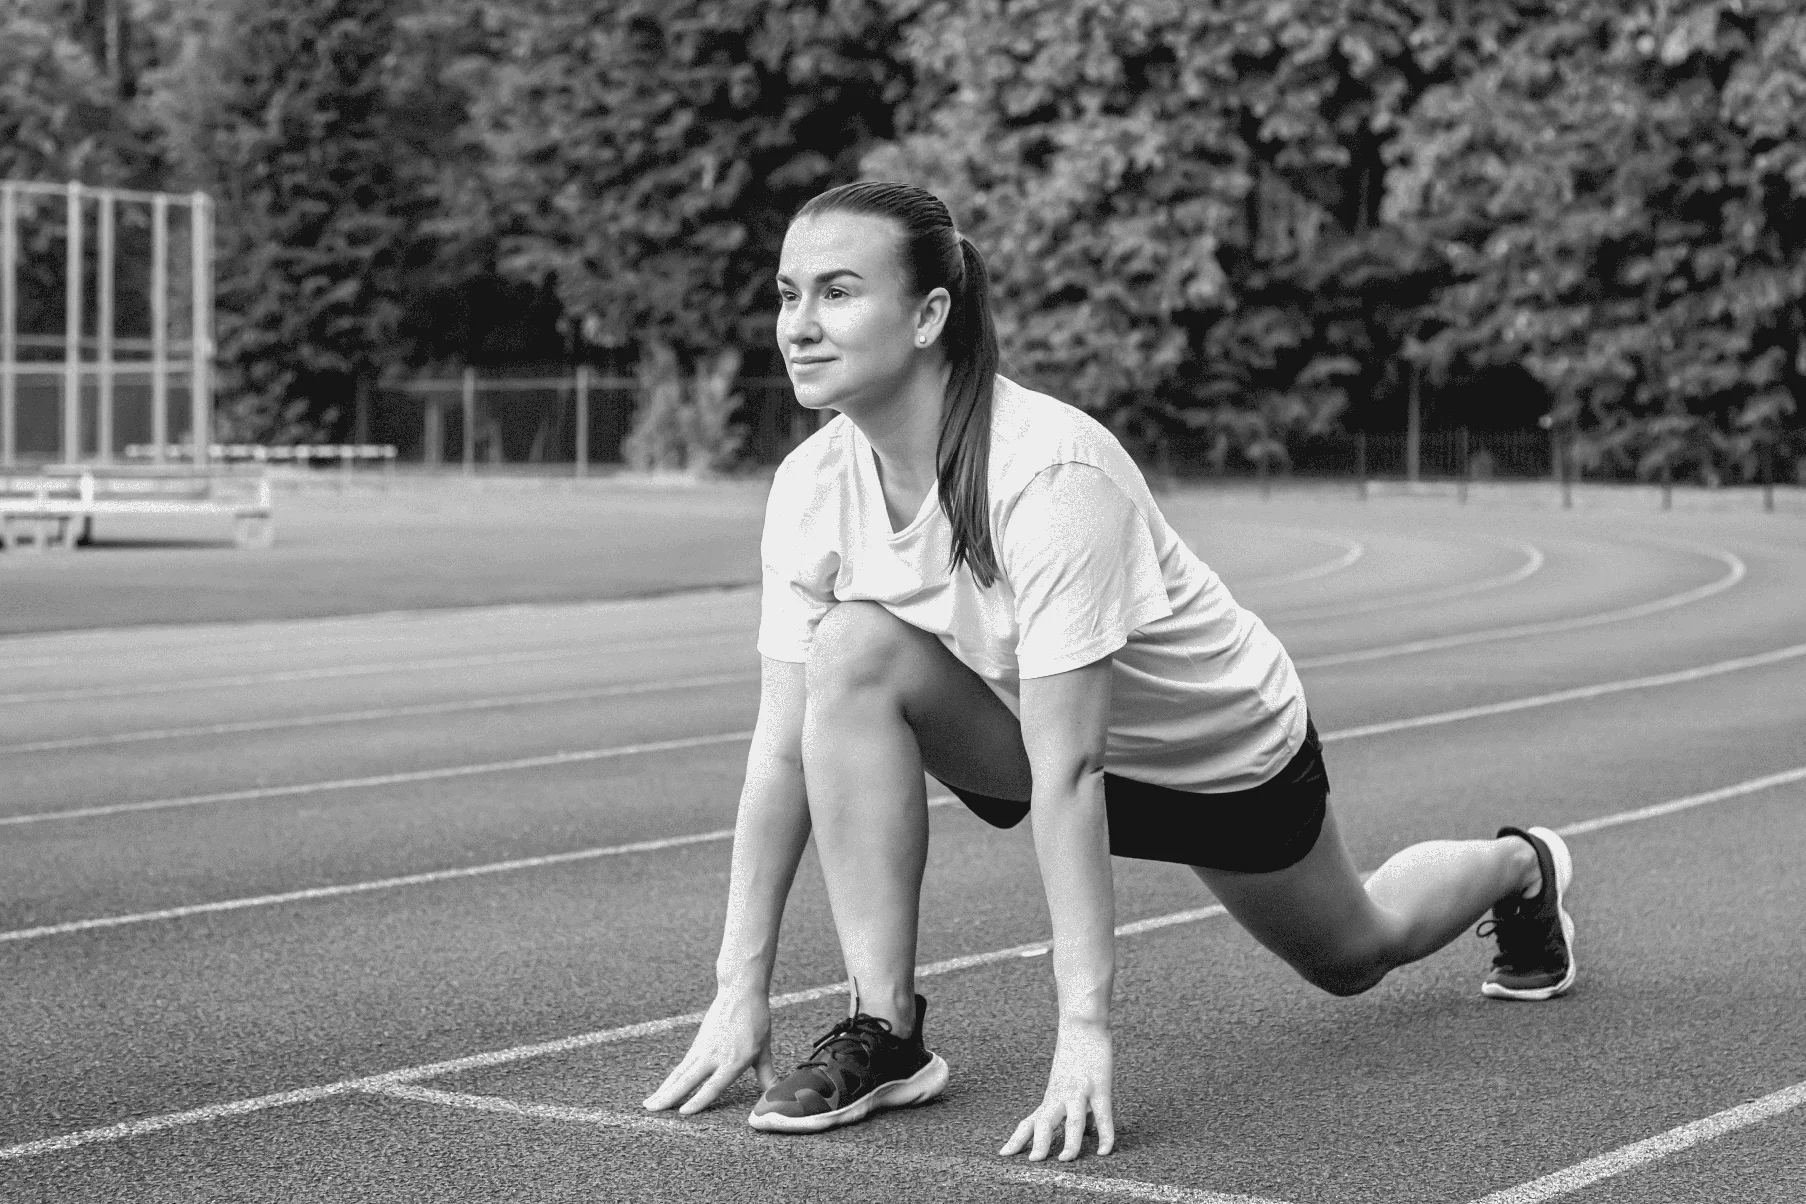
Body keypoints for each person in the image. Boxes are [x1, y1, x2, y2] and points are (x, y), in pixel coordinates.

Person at [641, 181, 1577, 1163]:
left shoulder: (1050, 476)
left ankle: (1522, 865)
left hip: (1216, 756)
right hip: (1041, 744)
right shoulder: (810, 487)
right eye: (788, 294)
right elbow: (785, 749)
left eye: (836, 292)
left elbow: (1074, 772)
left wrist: (1083, 1039)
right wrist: (737, 988)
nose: (799, 325)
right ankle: (886, 1029)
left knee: (1358, 950)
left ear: (928, 316)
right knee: (853, 648)